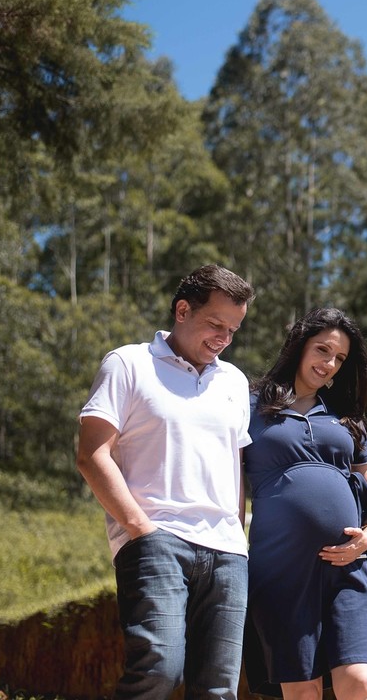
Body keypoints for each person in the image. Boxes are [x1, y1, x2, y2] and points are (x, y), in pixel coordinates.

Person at [76, 264, 256, 700]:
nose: (223, 339)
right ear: (181, 310)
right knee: (158, 671)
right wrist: (140, 529)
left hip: (228, 551)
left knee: (217, 690)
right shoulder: (129, 363)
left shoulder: (233, 381)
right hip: (157, 541)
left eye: (233, 330)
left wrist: (239, 535)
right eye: (215, 324)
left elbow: (234, 467)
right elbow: (91, 454)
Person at [244, 307, 367, 700]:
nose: (329, 364)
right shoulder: (249, 406)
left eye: (339, 358)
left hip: (349, 563)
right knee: (303, 691)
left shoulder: (346, 416)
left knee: (359, 680)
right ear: (299, 346)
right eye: (322, 350)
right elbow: (231, 483)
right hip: (281, 568)